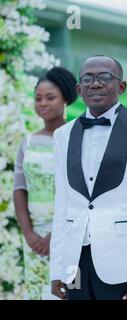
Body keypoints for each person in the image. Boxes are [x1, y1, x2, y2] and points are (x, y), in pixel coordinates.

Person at [49, 55, 127, 300]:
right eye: (88, 78)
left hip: (123, 263)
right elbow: (62, 204)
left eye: (105, 77)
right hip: (75, 264)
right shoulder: (62, 136)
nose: (96, 83)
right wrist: (56, 268)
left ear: (121, 86)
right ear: (79, 89)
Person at [13, 67, 77, 300]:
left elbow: (79, 191)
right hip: (34, 240)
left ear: (66, 99)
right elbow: (19, 189)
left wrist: (55, 236)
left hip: (69, 233)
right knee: (37, 294)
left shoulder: (75, 137)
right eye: (38, 98)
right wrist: (29, 233)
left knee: (66, 293)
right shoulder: (27, 142)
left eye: (50, 97)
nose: (43, 103)